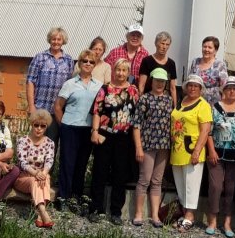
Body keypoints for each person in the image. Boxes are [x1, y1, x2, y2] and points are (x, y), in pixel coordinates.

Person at [88, 59, 139, 224]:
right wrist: (94, 131)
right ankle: (95, 208)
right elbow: (97, 111)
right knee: (99, 172)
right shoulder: (104, 89)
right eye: (118, 70)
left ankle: (116, 211)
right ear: (114, 71)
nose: (121, 73)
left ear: (128, 73)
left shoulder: (133, 91)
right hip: (105, 135)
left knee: (120, 174)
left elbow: (137, 116)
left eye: (124, 70)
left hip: (124, 137)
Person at [53, 50, 102, 212]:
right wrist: (64, 126)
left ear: (95, 65)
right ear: (79, 63)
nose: (88, 64)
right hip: (70, 128)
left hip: (87, 129)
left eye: (91, 62)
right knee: (67, 164)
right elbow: (58, 107)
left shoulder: (99, 85)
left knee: (81, 165)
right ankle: (63, 198)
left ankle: (76, 196)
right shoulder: (70, 84)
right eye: (85, 61)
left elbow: (101, 109)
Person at [169, 73, 213, 231]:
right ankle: (183, 213)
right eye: (190, 85)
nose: (193, 88)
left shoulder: (203, 105)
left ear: (201, 89)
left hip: (191, 150)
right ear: (186, 87)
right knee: (181, 184)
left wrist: (197, 151)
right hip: (177, 150)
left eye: (196, 86)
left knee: (191, 184)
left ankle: (190, 216)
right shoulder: (181, 101)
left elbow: (205, 129)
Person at [132, 66, 174, 227]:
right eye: (157, 80)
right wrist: (138, 147)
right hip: (148, 144)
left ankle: (155, 215)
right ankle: (138, 213)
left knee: (157, 181)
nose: (160, 84)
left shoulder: (169, 99)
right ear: (152, 81)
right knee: (144, 180)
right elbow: (136, 125)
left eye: (162, 81)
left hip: (163, 145)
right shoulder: (144, 99)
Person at [205, 76, 235, 238]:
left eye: (234, 88)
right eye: (228, 88)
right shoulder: (215, 108)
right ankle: (212, 220)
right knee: (216, 187)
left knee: (230, 188)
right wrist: (211, 151)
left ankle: (227, 222)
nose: (232, 91)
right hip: (217, 154)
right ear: (224, 90)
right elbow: (209, 131)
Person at [26, 28, 74, 144]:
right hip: (40, 109)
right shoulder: (40, 57)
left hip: (56, 111)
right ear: (49, 40)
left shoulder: (68, 60)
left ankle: (49, 163)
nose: (56, 42)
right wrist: (31, 106)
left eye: (59, 39)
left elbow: (70, 85)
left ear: (63, 41)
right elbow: (30, 81)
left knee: (51, 144)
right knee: (35, 143)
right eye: (53, 39)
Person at [16, 110, 55, 228]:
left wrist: (43, 173)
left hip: (40, 177)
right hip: (23, 177)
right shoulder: (22, 141)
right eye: (36, 125)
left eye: (43, 126)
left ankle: (40, 214)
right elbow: (22, 162)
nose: (39, 128)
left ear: (46, 127)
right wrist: (35, 173)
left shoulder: (49, 143)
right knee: (36, 179)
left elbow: (49, 160)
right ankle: (43, 212)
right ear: (32, 124)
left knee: (46, 176)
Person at [137, 31, 177, 103]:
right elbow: (141, 85)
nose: (164, 47)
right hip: (148, 100)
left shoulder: (171, 63)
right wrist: (141, 101)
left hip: (165, 102)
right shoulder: (147, 61)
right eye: (162, 43)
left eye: (167, 44)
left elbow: (172, 88)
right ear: (156, 43)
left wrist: (175, 107)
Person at [189, 36, 228, 107]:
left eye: (210, 47)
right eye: (204, 46)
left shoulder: (220, 65)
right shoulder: (195, 62)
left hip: (213, 104)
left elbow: (225, 88)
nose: (206, 49)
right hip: (194, 102)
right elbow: (189, 81)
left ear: (215, 50)